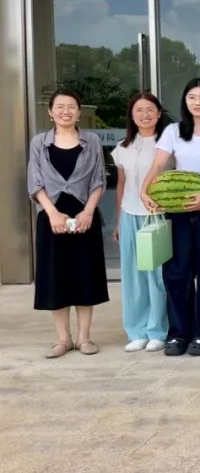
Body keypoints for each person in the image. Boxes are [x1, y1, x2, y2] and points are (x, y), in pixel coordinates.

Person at [142, 77, 200, 356]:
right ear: (185, 101)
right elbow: (159, 164)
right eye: (192, 97)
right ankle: (179, 333)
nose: (198, 102)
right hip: (177, 204)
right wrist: (145, 191)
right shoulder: (172, 131)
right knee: (176, 272)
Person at [28, 88, 109, 358]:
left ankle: (84, 338)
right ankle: (63, 339)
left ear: (79, 112)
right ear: (50, 112)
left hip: (84, 214)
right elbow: (34, 182)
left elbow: (98, 180)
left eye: (71, 106)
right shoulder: (39, 143)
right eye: (60, 107)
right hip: (52, 216)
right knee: (56, 277)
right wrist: (52, 213)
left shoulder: (92, 141)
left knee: (85, 276)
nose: (66, 111)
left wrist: (88, 213)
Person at [111, 92, 170, 353]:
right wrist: (118, 221)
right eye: (139, 110)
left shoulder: (167, 144)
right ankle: (136, 330)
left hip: (156, 216)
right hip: (129, 215)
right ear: (132, 116)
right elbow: (121, 185)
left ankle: (158, 330)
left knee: (156, 276)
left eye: (150, 110)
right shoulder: (123, 147)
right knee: (133, 276)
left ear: (159, 113)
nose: (145, 115)